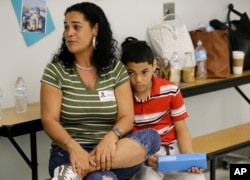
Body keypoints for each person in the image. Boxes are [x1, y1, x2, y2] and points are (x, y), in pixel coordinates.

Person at [40, 3, 160, 180]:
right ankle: (84, 169)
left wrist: (110, 138)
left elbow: (127, 117)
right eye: (66, 27)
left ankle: (82, 169)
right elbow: (49, 120)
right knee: (101, 178)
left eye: (76, 27)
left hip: (112, 152)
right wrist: (74, 148)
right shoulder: (55, 71)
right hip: (68, 154)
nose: (69, 33)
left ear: (95, 29)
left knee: (152, 137)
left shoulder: (115, 69)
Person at [120, 37, 206, 180]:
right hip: (144, 156)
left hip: (174, 150)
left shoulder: (170, 90)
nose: (138, 79)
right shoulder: (122, 96)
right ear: (124, 70)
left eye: (144, 72)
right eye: (131, 73)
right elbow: (123, 136)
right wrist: (143, 158)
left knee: (196, 178)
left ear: (154, 65)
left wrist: (189, 157)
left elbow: (182, 129)